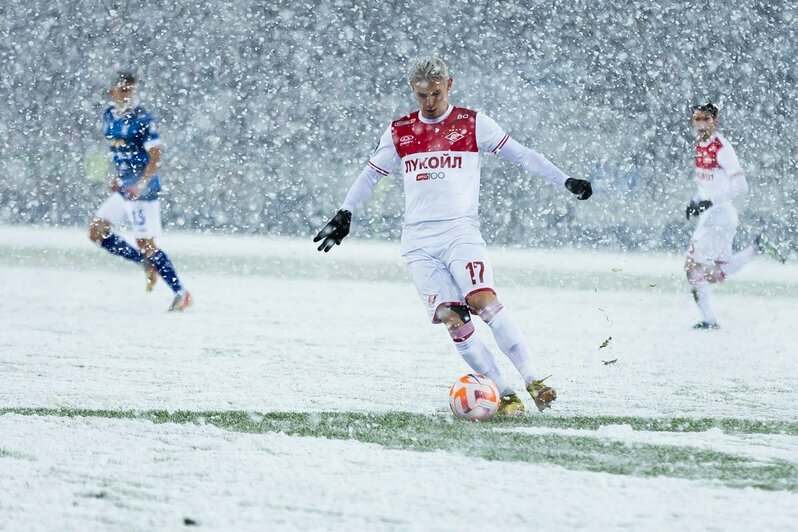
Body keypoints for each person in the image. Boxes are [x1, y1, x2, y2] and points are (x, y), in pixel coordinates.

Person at [313, 57, 592, 415]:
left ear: (449, 85)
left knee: (482, 301)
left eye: (435, 93)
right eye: (422, 95)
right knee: (451, 316)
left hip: (460, 232)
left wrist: (564, 179)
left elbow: (521, 155)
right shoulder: (401, 130)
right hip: (418, 243)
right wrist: (345, 212)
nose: (429, 102)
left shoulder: (472, 124)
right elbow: (370, 173)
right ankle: (505, 395)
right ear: (414, 91)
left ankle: (534, 379)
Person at [88, 71, 191, 311]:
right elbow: (121, 151)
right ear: (112, 91)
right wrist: (119, 176)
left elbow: (155, 158)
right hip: (125, 187)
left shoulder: (143, 119)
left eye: (131, 91)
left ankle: (181, 292)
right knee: (97, 230)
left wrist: (141, 183)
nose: (128, 96)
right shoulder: (108, 116)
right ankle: (144, 263)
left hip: (143, 190)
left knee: (147, 243)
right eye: (123, 90)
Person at [684, 102, 784, 329]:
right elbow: (707, 184)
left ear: (714, 121)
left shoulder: (722, 148)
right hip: (717, 216)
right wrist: (696, 201)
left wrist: (710, 202)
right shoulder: (700, 145)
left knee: (692, 268)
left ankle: (709, 320)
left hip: (717, 218)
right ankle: (756, 247)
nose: (701, 123)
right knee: (714, 273)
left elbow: (741, 186)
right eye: (697, 119)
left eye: (706, 119)